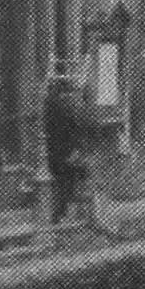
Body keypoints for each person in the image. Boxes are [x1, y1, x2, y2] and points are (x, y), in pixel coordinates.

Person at [42, 69, 89, 224]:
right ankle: (59, 214)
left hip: (52, 150)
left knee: (59, 181)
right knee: (67, 182)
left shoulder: (47, 103)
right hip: (67, 151)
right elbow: (76, 128)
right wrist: (77, 149)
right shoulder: (68, 106)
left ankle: (59, 213)